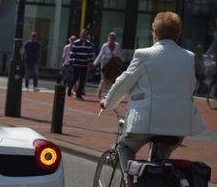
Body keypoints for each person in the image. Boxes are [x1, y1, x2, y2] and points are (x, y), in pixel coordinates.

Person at [101, 12, 205, 173]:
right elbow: (190, 87)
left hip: (146, 122)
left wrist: (107, 103)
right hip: (179, 124)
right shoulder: (188, 57)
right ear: (177, 35)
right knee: (162, 160)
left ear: (155, 34)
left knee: (124, 147)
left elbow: (124, 82)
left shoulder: (144, 55)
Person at [68, 28, 95, 100]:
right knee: (75, 77)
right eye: (83, 34)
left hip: (84, 64)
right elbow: (72, 54)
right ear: (80, 35)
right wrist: (71, 64)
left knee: (82, 79)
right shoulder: (76, 43)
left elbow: (90, 54)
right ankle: (70, 88)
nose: (84, 36)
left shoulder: (89, 44)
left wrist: (91, 63)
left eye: (86, 35)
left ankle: (78, 94)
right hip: (77, 63)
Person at [94, 32, 122, 98]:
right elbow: (100, 55)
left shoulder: (117, 45)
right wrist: (94, 63)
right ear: (108, 38)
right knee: (104, 79)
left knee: (112, 79)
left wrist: (119, 63)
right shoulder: (105, 46)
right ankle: (100, 90)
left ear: (115, 39)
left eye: (113, 38)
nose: (111, 40)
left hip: (113, 64)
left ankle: (109, 95)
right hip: (105, 63)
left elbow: (118, 55)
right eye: (110, 38)